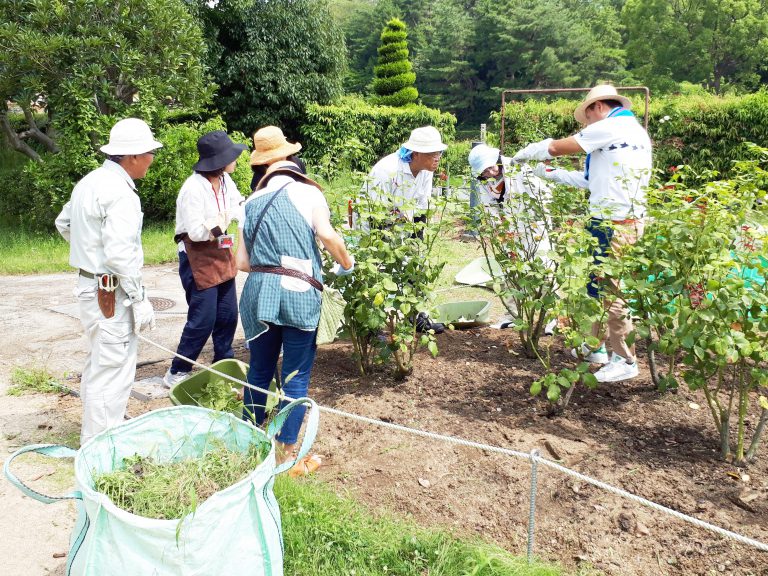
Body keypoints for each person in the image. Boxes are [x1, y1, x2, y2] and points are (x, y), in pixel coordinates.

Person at [512, 84, 652, 383]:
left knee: (608, 291)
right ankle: (596, 348)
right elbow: (589, 180)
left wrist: (527, 154)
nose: (585, 126)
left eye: (586, 119)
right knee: (598, 287)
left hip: (616, 224)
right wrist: (546, 174)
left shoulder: (614, 125)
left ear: (597, 107)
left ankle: (624, 359)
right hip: (616, 220)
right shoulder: (632, 132)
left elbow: (556, 148)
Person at [236, 127, 354, 468]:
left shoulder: (250, 203)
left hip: (258, 294)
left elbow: (242, 262)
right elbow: (328, 236)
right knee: (295, 376)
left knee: (258, 372)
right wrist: (346, 263)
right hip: (299, 292)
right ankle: (287, 460)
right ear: (288, 158)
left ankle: (248, 451)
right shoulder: (307, 192)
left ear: (261, 165)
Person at [55, 118, 162, 444]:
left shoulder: (89, 182)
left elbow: (64, 223)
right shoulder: (120, 193)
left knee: (101, 364)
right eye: (148, 153)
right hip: (110, 292)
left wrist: (89, 252)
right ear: (131, 156)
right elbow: (118, 255)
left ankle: (97, 436)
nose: (152, 159)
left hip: (92, 286)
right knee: (114, 370)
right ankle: (100, 447)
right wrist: (139, 297)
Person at [163, 130, 247, 388]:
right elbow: (196, 231)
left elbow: (238, 205)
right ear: (220, 161)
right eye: (231, 156)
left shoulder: (225, 182)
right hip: (197, 255)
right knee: (203, 318)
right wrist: (222, 221)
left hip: (220, 251)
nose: (236, 159)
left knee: (228, 315)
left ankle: (224, 364)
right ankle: (178, 370)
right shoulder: (193, 189)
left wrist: (238, 214)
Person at [361, 126, 448, 333]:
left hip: (404, 224)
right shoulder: (387, 170)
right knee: (378, 272)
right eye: (433, 154)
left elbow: (421, 206)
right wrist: (384, 245)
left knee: (414, 268)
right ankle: (373, 329)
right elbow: (376, 214)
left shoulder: (426, 171)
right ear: (416, 154)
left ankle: (415, 317)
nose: (437, 158)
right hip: (376, 226)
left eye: (439, 153)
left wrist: (416, 240)